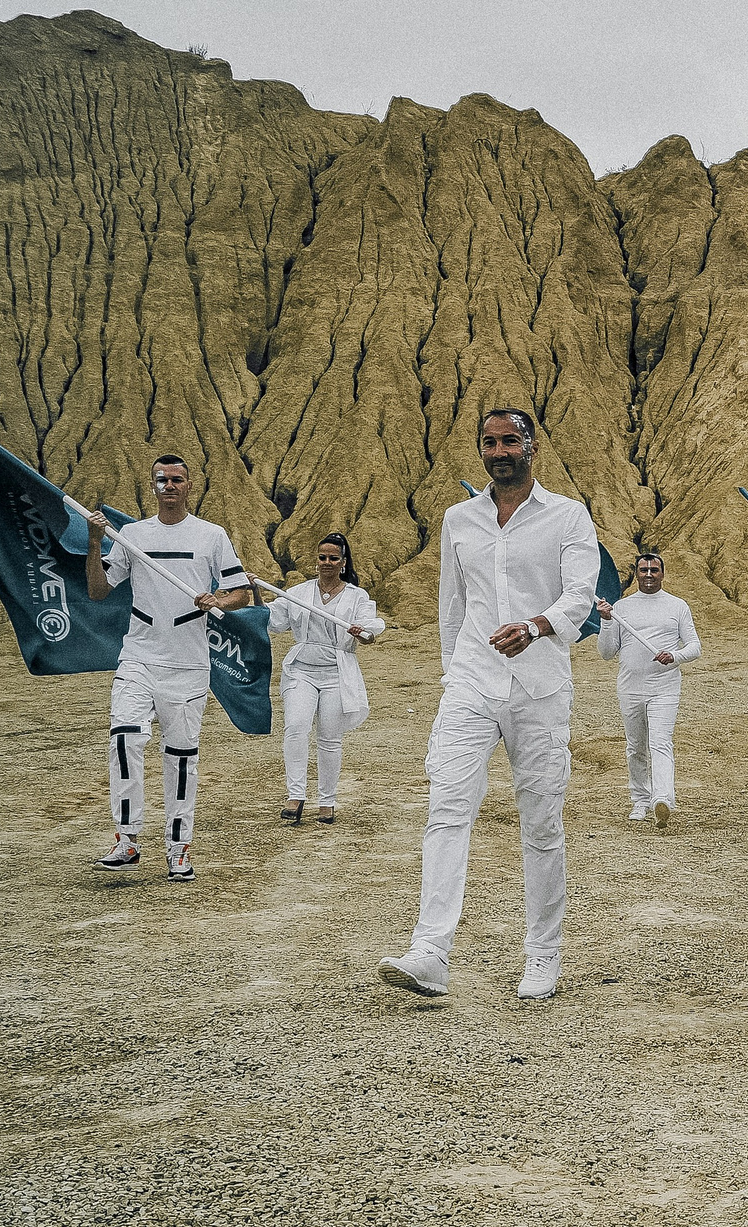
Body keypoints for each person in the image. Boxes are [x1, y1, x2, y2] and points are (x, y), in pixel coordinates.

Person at [378, 410, 599, 1003]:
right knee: (447, 806)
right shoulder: (459, 519)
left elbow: (581, 595)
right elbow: (453, 605)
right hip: (472, 683)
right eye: (489, 442)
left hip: (540, 686)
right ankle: (430, 952)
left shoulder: (568, 516)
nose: (499, 451)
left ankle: (542, 956)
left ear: (531, 448)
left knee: (541, 823)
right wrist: (455, 673)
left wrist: (536, 625)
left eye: (510, 441)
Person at [82, 454, 252, 883]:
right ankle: (127, 839)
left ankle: (178, 848)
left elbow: (241, 592)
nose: (170, 486)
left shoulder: (211, 536)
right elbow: (99, 590)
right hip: (138, 657)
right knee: (124, 737)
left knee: (181, 757)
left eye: (177, 479)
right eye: (162, 479)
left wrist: (218, 600)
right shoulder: (133, 536)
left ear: (189, 485)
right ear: (152, 485)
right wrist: (94, 541)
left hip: (188, 665)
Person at [268, 532, 385, 826]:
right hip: (301, 670)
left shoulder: (357, 596)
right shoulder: (297, 592)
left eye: (334, 558)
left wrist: (363, 632)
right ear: (316, 560)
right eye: (322, 557)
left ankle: (327, 801)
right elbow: (271, 618)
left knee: (329, 738)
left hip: (336, 672)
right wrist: (256, 592)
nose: (327, 563)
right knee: (295, 727)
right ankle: (295, 796)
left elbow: (371, 629)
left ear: (343, 562)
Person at [595, 551, 701, 828]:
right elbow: (607, 652)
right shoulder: (622, 608)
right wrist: (606, 621)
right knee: (635, 747)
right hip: (630, 688)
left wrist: (675, 656)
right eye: (644, 570)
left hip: (664, 687)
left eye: (655, 570)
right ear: (637, 574)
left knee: (660, 742)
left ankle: (661, 798)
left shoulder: (677, 606)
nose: (649, 575)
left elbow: (694, 646)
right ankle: (640, 800)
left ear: (663, 574)